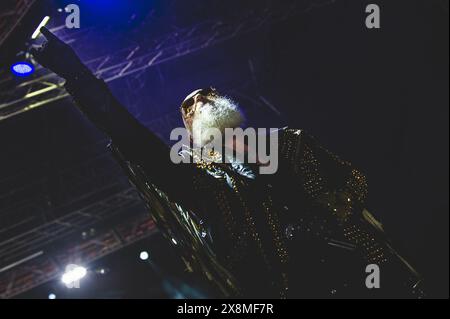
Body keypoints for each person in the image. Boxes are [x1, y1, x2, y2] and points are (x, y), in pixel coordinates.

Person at [31, 27, 424, 298]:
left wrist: (332, 211)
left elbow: (356, 181)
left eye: (208, 95)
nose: (200, 100)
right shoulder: (200, 184)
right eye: (191, 106)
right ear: (191, 130)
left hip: (375, 276)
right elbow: (132, 139)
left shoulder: (291, 143)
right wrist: (76, 72)